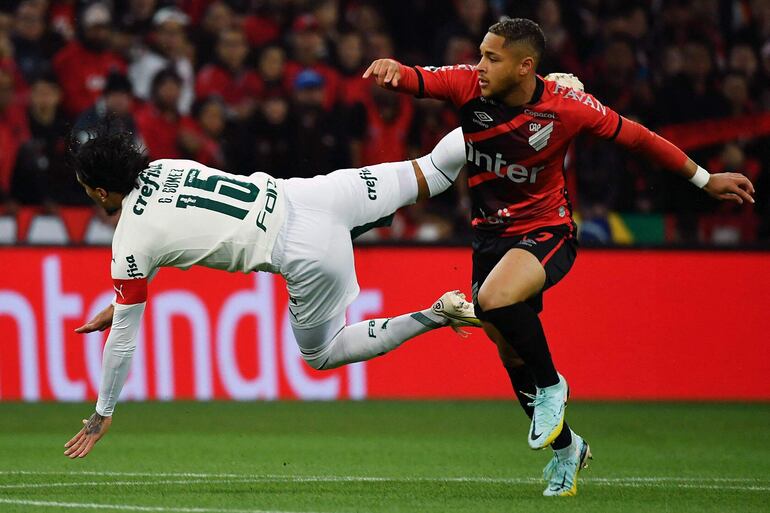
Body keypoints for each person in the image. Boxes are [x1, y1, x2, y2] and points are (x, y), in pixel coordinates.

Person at [363, 17, 756, 497]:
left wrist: (704, 179)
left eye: (493, 57)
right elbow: (419, 77)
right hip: (489, 238)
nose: (480, 65)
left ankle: (553, 387)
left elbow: (638, 138)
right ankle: (567, 450)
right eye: (481, 54)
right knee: (510, 352)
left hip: (547, 232)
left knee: (492, 302)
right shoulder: (468, 86)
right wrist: (391, 69)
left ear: (525, 66)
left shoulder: (568, 108)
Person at [63, 121, 479, 459]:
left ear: (101, 191)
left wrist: (103, 413)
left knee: (322, 354)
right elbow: (172, 227)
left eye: (85, 187)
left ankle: (437, 313)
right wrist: (121, 302)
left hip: (304, 253)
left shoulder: (129, 241)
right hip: (319, 195)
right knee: (435, 171)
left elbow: (123, 340)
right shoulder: (164, 167)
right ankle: (520, 105)